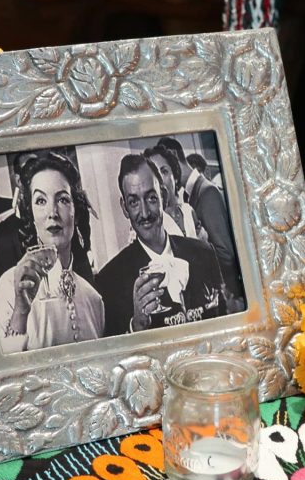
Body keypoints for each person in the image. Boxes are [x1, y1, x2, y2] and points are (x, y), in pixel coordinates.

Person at [96, 154, 227, 336]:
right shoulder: (110, 280)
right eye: (133, 202)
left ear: (163, 197)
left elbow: (225, 321)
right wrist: (136, 326)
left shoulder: (204, 253)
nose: (144, 213)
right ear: (125, 207)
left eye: (151, 198)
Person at [0, 151, 104, 352]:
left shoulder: (93, 299)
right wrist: (21, 311)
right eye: (41, 201)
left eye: (62, 200)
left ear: (75, 213)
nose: (52, 213)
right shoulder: (8, 289)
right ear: (31, 214)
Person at [158, 137, 243, 306]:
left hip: (228, 296)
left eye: (163, 170)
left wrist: (195, 252)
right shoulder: (191, 196)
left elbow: (226, 254)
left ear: (174, 156)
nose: (160, 180)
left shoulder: (207, 192)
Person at [144, 144, 207, 242]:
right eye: (154, 175)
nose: (159, 180)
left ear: (175, 177)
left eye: (164, 171)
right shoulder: (149, 222)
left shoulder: (188, 211)